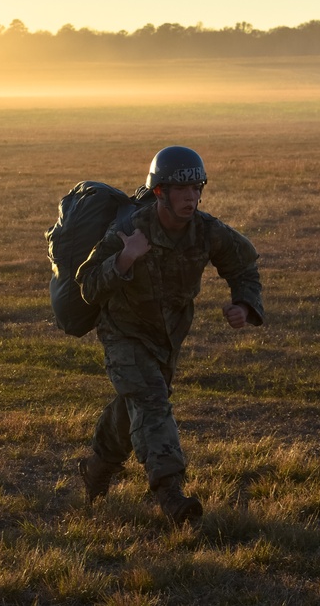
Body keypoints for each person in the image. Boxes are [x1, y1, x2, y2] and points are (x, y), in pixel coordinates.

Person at [75, 146, 264, 523]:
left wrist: (243, 304)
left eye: (196, 189)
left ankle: (97, 466)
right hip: (123, 333)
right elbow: (88, 286)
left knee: (136, 404)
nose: (191, 197)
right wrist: (125, 258)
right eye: (181, 190)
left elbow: (243, 264)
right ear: (160, 192)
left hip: (167, 339)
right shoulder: (130, 230)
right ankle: (170, 492)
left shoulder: (207, 231)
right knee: (150, 399)